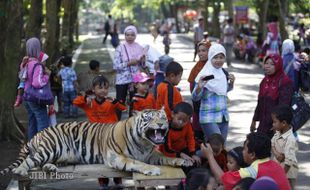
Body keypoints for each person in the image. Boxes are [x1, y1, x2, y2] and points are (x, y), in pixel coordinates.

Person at [73, 75, 126, 190]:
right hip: (96, 137)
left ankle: (118, 181)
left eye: (106, 88)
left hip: (112, 136)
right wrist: (85, 97)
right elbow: (75, 102)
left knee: (116, 158)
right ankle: (103, 183)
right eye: (100, 87)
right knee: (100, 160)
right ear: (93, 89)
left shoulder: (110, 102)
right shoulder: (89, 103)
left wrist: (116, 101)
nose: (103, 90)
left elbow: (124, 108)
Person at [201, 132, 291, 190]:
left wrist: (209, 156)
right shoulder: (276, 165)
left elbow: (222, 179)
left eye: (244, 149)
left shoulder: (252, 171)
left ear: (252, 155)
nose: (242, 151)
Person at [192, 44, 235, 142]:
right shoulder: (204, 75)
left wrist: (231, 83)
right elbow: (195, 98)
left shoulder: (223, 73)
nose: (219, 60)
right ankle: (195, 157)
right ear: (210, 57)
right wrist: (199, 87)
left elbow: (223, 91)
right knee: (215, 147)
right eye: (215, 57)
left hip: (223, 117)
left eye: (221, 57)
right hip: (209, 117)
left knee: (220, 149)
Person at [250, 54, 293, 138]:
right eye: (266, 63)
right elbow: (260, 103)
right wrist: (254, 120)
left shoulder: (285, 82)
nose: (268, 66)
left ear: (278, 65)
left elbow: (284, 107)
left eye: (272, 64)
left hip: (276, 128)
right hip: (263, 126)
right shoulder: (264, 81)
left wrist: (277, 125)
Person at [113, 25, 145, 120]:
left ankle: (133, 123)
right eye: (127, 35)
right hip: (122, 79)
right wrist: (129, 63)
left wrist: (142, 60)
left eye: (132, 35)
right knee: (120, 102)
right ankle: (116, 123)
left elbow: (143, 66)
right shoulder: (120, 48)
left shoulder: (139, 47)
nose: (129, 37)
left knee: (135, 101)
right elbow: (116, 66)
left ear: (135, 35)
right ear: (124, 35)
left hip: (136, 79)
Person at [22, 37, 51, 140]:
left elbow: (22, 77)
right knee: (43, 123)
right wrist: (47, 76)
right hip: (35, 98)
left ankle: (31, 147)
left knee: (32, 122)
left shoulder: (26, 63)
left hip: (26, 96)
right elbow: (37, 83)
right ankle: (41, 148)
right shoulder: (37, 65)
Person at [188, 40, 211, 143]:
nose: (201, 53)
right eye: (199, 51)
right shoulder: (196, 68)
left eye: (204, 50)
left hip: (211, 105)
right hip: (198, 104)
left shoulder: (214, 67)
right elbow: (191, 86)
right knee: (198, 132)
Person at [271, 105, 298, 189]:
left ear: (283, 123)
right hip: (278, 171)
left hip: (287, 175)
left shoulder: (290, 139)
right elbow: (272, 143)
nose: (273, 124)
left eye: (275, 122)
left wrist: (281, 176)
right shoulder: (278, 132)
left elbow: (289, 161)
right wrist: (277, 154)